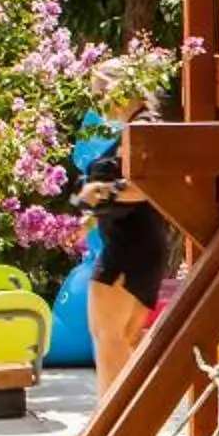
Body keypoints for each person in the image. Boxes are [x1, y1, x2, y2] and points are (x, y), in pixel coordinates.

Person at [76, 149, 168, 392]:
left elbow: (146, 186)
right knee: (125, 338)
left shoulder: (144, 127)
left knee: (108, 336)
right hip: (146, 248)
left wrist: (100, 191)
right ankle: (127, 422)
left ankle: (111, 424)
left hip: (127, 251)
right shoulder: (140, 130)